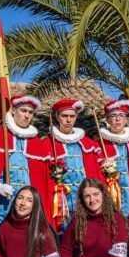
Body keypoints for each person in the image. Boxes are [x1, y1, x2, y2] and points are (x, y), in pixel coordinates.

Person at [0, 95, 52, 227]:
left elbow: (42, 179)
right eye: (23, 111)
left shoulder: (37, 144)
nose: (27, 115)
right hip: (2, 202)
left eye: (30, 112)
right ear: (14, 111)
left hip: (27, 204)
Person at [40, 99, 102, 231]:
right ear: (57, 117)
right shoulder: (47, 144)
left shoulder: (88, 144)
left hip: (85, 199)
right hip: (62, 202)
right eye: (64, 116)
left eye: (72, 116)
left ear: (76, 118)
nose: (68, 120)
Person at [94, 100, 129, 215]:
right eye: (113, 116)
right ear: (108, 120)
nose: (117, 119)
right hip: (110, 197)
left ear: (126, 120)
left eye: (121, 116)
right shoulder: (99, 146)